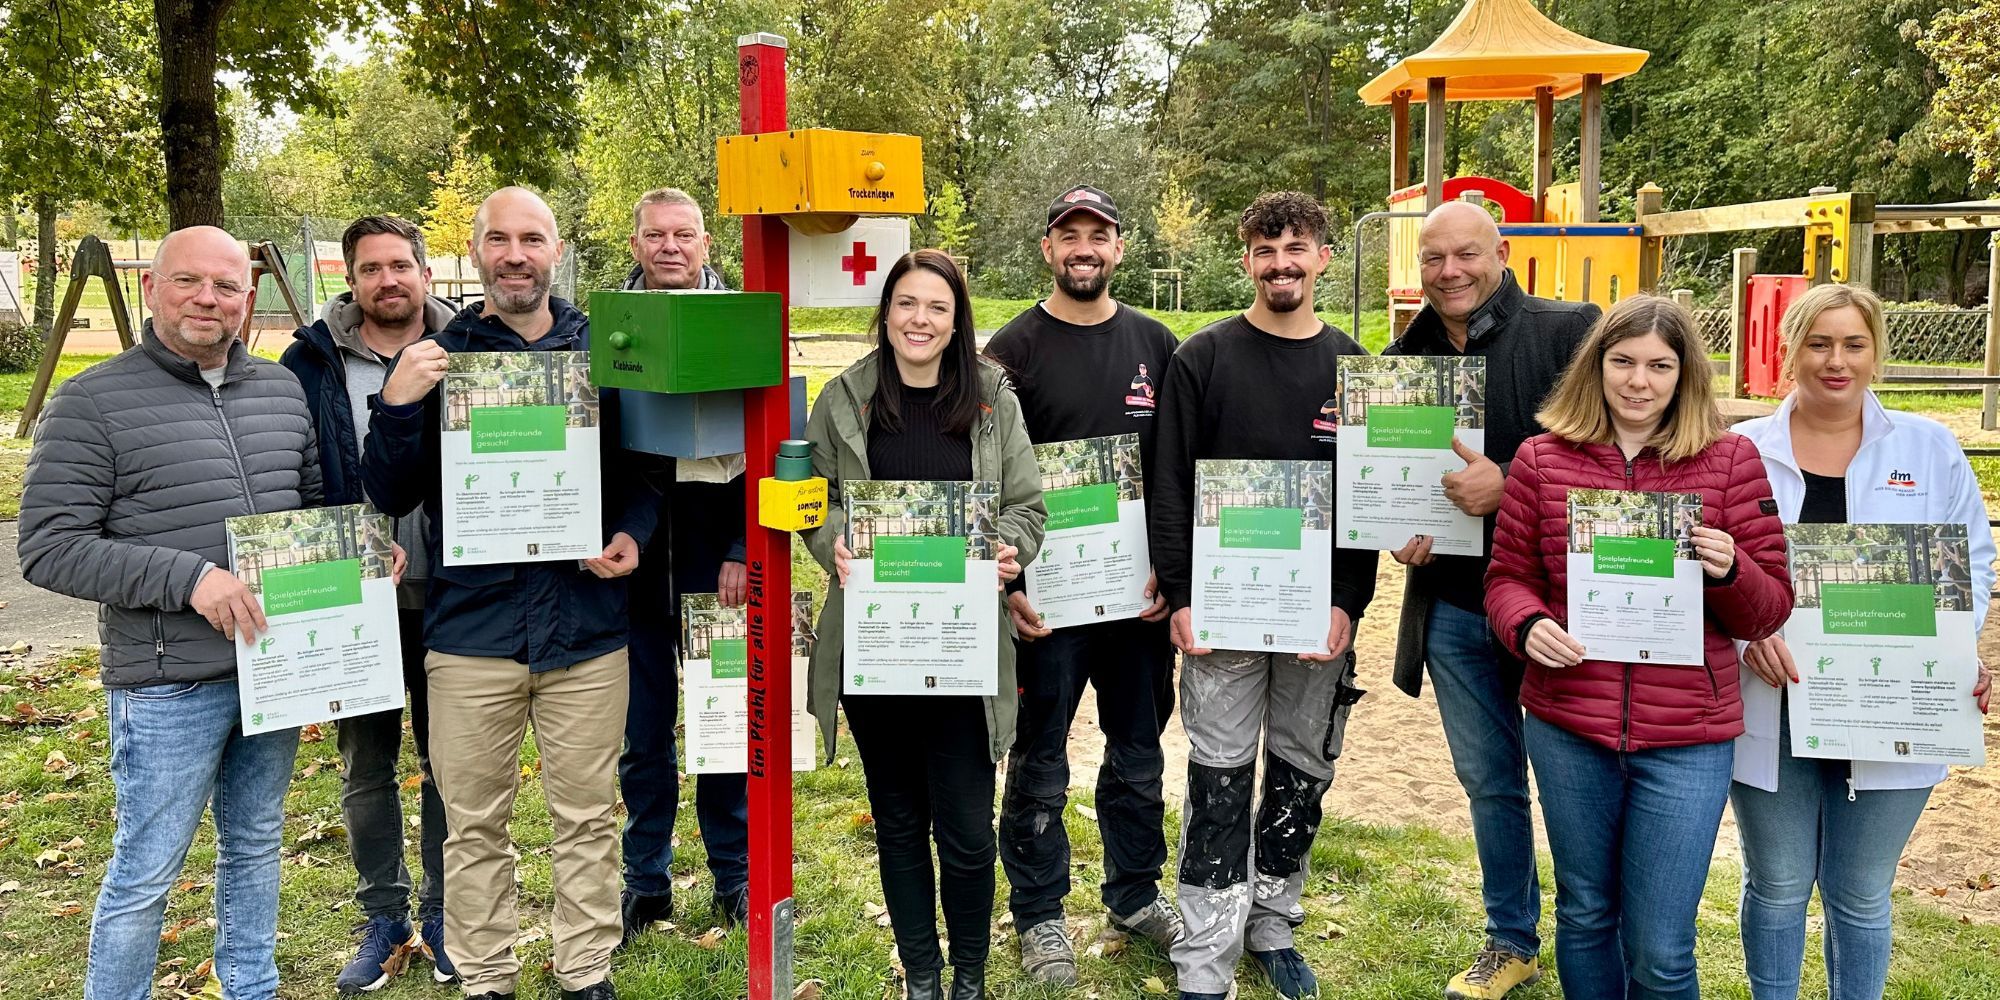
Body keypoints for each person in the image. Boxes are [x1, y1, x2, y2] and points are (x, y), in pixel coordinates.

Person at [361, 187, 657, 1000]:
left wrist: (632, 533)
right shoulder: (437, 354)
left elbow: (646, 474)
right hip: (470, 635)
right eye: (499, 240)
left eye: (532, 239)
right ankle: (487, 976)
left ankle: (584, 971)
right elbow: (388, 489)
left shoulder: (607, 350)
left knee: (589, 818)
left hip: (587, 631)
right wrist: (394, 403)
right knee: (473, 824)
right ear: (477, 251)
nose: (516, 255)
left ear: (556, 250)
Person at [18, 227, 324, 1000]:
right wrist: (189, 578)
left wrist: (357, 556)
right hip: (166, 684)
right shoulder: (91, 401)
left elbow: (314, 506)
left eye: (225, 287)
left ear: (248, 301)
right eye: (189, 282)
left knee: (254, 847)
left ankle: (250, 987)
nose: (208, 300)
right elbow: (49, 547)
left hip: (272, 668)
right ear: (152, 288)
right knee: (147, 869)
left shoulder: (281, 391)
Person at [1484, 294, 1793, 1000]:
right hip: (1570, 727)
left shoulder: (1728, 461)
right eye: (1622, 362)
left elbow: (1771, 605)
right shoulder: (1542, 458)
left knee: (1661, 948)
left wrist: (1733, 569)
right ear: (1595, 367)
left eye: (1659, 365)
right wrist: (1528, 626)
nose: (1638, 381)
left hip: (1688, 738)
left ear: (1684, 376)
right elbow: (1507, 580)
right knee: (1586, 913)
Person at [1729, 283, 1996, 1000]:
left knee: (1860, 894)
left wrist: (1957, 649)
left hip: (1894, 704)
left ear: (1877, 352)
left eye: (1853, 344)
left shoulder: (1929, 448)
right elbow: (1713, 566)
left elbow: (1972, 558)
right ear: (1789, 351)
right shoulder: (1740, 450)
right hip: (1774, 701)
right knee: (1779, 885)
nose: (1836, 361)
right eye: (1818, 343)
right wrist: (1745, 634)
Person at [1148, 192, 1377, 1000]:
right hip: (1221, 611)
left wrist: (1349, 597)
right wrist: (1179, 592)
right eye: (1266, 247)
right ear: (1245, 259)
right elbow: (1170, 482)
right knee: (1218, 771)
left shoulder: (1353, 368)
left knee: (1300, 766)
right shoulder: (1202, 359)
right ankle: (1205, 954)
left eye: (1299, 245)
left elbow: (1365, 498)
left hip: (1316, 613)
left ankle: (1273, 919)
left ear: (1321, 257)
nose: (1282, 260)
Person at [801, 249, 1047, 1000]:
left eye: (937, 308)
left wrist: (1011, 551)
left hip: (963, 648)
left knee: (968, 833)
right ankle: (925, 976)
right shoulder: (843, 400)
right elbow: (813, 495)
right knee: (900, 820)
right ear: (885, 313)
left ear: (955, 320)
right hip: (876, 648)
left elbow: (1028, 506)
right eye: (907, 304)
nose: (920, 320)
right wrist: (832, 539)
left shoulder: (991, 399)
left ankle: (970, 974)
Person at [1381, 201, 1599, 999]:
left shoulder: (1571, 333)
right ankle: (1511, 938)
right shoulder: (1401, 359)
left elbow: (1618, 463)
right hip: (1454, 608)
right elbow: (1395, 487)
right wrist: (1398, 528)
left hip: (1560, 610)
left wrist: (1510, 485)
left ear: (1502, 251)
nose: (1451, 272)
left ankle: (1591, 930)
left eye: (1466, 254)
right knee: (1492, 783)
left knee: (1576, 777)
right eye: (1434, 258)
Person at [984, 185, 1183, 985]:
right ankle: (1038, 916)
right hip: (1047, 604)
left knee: (1138, 752)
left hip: (1136, 598)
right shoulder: (1011, 350)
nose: (1084, 249)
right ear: (1048, 249)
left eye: (1098, 235)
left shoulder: (1157, 344)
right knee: (1039, 759)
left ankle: (1134, 895)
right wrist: (1009, 584)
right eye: (1069, 235)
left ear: (1119, 249)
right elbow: (987, 475)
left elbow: (1174, 466)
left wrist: (1175, 573)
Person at [282, 214, 461, 993]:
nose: (388, 280)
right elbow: (291, 469)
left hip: (458, 593)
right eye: (370, 269)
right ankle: (384, 916)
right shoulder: (310, 362)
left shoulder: (473, 347)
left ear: (424, 272)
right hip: (355, 604)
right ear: (349, 281)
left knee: (452, 764)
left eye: (401, 265)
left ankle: (450, 913)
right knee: (367, 766)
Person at [613, 188, 753, 940]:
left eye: (685, 235)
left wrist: (741, 549)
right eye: (655, 235)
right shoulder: (608, 329)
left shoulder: (739, 323)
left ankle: (733, 875)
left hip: (715, 565)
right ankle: (646, 880)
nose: (670, 246)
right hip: (631, 570)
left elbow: (768, 442)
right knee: (642, 735)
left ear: (707, 245)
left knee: (725, 727)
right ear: (635, 244)